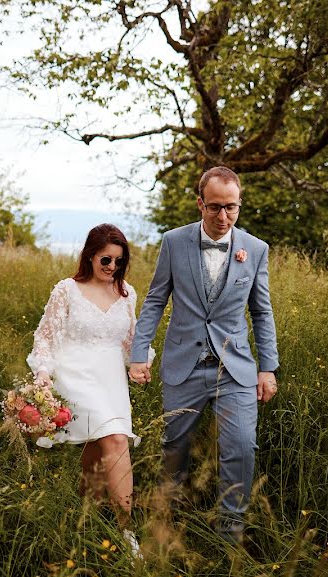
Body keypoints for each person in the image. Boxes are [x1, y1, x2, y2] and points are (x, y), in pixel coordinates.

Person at [128, 166, 279, 544]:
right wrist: (138, 353)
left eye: (231, 207)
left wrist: (268, 368)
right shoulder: (173, 242)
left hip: (237, 369)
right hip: (184, 367)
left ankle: (231, 536)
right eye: (214, 207)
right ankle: (168, 528)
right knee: (174, 450)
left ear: (239, 204)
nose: (223, 217)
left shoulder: (255, 249)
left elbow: (262, 312)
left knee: (242, 447)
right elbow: (155, 300)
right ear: (200, 204)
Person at [27, 223, 151, 556]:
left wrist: (139, 365)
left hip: (111, 378)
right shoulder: (67, 289)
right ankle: (128, 535)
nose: (112, 268)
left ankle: (86, 523)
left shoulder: (127, 294)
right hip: (75, 373)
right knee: (115, 439)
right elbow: (46, 337)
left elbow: (130, 343)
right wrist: (43, 373)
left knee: (95, 458)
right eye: (106, 260)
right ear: (90, 256)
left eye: (118, 262)